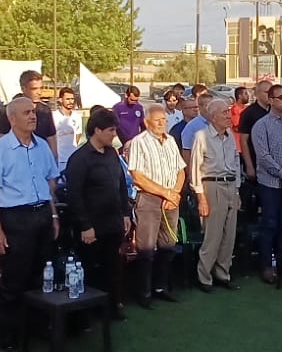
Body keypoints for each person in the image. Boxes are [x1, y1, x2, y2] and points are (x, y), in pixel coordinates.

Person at [0, 96, 61, 351]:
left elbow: (49, 183)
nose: (33, 116)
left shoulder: (42, 147)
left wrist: (53, 216)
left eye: (34, 112)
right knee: (15, 278)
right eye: (27, 112)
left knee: (41, 275)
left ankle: (36, 326)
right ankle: (8, 334)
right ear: (12, 118)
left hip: (42, 214)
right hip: (16, 218)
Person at [65, 109, 133, 319]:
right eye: (111, 130)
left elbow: (121, 185)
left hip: (113, 222)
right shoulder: (80, 159)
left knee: (113, 267)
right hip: (92, 226)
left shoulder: (112, 154)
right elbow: (75, 195)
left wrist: (125, 213)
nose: (114, 134)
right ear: (97, 130)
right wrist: (85, 226)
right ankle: (88, 313)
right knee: (92, 268)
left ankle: (112, 306)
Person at [126, 104, 186, 306]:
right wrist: (165, 193)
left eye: (164, 120)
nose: (162, 123)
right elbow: (137, 176)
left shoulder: (170, 141)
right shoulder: (139, 142)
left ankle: (161, 287)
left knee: (168, 245)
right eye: (158, 120)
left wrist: (174, 193)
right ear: (146, 122)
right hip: (149, 200)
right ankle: (144, 292)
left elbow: (180, 170)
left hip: (171, 200)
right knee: (146, 249)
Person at [250, 83, 282, 283]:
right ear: (271, 100)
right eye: (281, 97)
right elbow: (263, 156)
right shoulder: (261, 126)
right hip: (270, 184)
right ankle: (266, 266)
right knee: (269, 224)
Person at [188, 99, 242, 291]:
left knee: (229, 235)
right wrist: (201, 197)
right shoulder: (202, 136)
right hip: (212, 186)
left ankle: (222, 274)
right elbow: (195, 168)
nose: (228, 116)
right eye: (224, 113)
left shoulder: (230, 136)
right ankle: (204, 277)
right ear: (213, 116)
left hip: (230, 186)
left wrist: (237, 190)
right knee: (213, 235)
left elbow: (236, 163)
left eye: (228, 112)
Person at [0, 70, 58, 157]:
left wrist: (53, 161)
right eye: (34, 89)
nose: (39, 92)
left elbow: (51, 140)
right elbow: (1, 141)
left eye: (41, 88)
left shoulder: (45, 111)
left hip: (39, 158)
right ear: (23, 89)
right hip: (15, 159)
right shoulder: (8, 110)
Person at [54, 86, 83, 161]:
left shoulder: (77, 117)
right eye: (67, 99)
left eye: (72, 99)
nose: (71, 102)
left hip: (73, 159)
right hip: (59, 159)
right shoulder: (53, 116)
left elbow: (78, 135)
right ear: (61, 100)